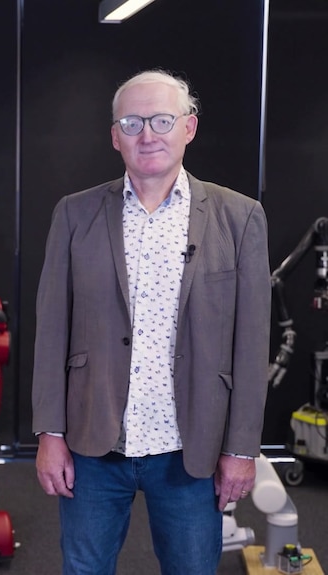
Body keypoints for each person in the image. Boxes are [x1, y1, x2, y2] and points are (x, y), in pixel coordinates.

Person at [31, 69, 271, 575]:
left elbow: (252, 346)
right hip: (93, 443)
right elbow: (51, 331)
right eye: (132, 121)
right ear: (115, 136)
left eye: (163, 119)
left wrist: (242, 448)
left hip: (191, 447)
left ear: (189, 128)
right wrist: (49, 434)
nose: (148, 134)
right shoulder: (74, 216)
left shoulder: (240, 217)